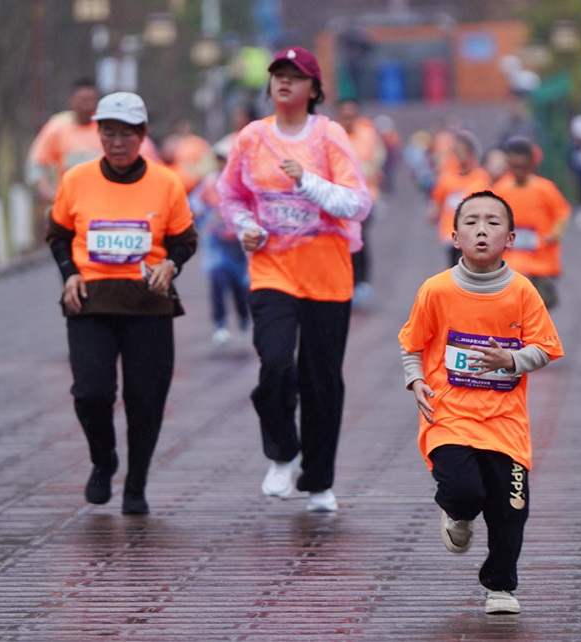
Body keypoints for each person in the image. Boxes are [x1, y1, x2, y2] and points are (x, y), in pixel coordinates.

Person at [218, 46, 372, 512]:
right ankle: (283, 451)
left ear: (314, 88)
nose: (284, 82)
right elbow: (231, 196)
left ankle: (319, 481)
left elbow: (357, 203)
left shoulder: (329, 136)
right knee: (277, 365)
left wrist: (308, 181)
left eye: (295, 76)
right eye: (277, 75)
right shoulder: (251, 138)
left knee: (321, 379)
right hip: (272, 270)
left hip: (327, 274)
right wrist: (246, 228)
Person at [399, 190, 564, 615]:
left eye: (493, 222)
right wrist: (415, 380)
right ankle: (458, 514)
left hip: (506, 423)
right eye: (471, 222)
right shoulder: (436, 290)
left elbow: (546, 348)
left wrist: (510, 359)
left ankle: (500, 587)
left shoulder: (523, 292)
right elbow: (411, 344)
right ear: (454, 236)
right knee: (464, 490)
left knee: (511, 510)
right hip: (449, 414)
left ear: (510, 237)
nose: (482, 230)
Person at [45, 92, 198, 514]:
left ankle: (136, 483)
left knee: (145, 399)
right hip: (91, 302)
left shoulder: (166, 182)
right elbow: (58, 234)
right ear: (98, 134)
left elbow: (184, 241)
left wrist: (171, 264)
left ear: (142, 135)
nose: (116, 142)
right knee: (91, 393)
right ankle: (103, 459)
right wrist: (69, 273)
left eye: (126, 134)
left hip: (148, 305)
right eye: (108, 132)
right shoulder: (77, 179)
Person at [27, 79, 160, 205]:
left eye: (91, 100)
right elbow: (37, 167)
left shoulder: (110, 126)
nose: (88, 105)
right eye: (83, 100)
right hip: (72, 204)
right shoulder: (57, 128)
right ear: (72, 100)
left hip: (111, 203)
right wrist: (55, 198)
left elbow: (146, 158)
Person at [493, 137, 572, 310]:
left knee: (541, 306)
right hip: (512, 261)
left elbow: (562, 212)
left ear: (531, 165)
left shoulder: (545, 188)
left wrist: (555, 233)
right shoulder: (501, 189)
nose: (518, 171)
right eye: (514, 166)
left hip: (540, 261)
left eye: (523, 166)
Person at [189, 137, 249, 346]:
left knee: (240, 285)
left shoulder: (243, 183)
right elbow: (195, 201)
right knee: (218, 281)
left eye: (226, 159)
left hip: (239, 245)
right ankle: (220, 325)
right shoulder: (210, 182)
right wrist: (197, 210)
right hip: (216, 244)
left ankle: (243, 320)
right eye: (219, 159)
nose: (222, 163)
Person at [336, 99, 385, 306]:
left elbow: (377, 160)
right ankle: (344, 282)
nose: (348, 117)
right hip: (338, 198)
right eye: (344, 113)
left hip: (365, 196)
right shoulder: (332, 135)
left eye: (351, 113)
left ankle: (361, 282)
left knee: (359, 236)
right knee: (341, 241)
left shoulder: (367, 134)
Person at [427, 130, 491, 267]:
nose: (461, 155)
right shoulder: (446, 178)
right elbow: (437, 202)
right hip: (451, 232)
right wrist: (432, 214)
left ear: (471, 152)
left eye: (464, 151)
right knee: (456, 268)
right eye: (457, 151)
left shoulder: (481, 177)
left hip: (475, 233)